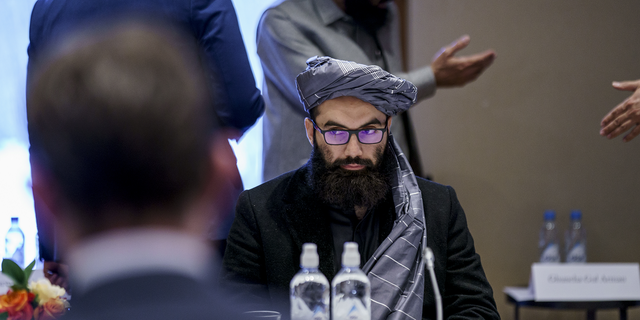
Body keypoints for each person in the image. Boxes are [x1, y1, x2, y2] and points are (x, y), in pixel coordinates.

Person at [223, 56, 500, 320]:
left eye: (369, 131)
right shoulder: (259, 211)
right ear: (311, 133)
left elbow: (478, 310)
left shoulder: (438, 207)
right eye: (336, 133)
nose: (353, 150)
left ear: (388, 128)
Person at [27, 0, 261, 282]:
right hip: (200, 224)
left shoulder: (47, 8)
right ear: (217, 171)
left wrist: (51, 247)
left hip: (89, 229)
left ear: (45, 192)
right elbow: (240, 105)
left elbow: (41, 138)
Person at [258, 0, 496, 181]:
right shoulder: (281, 22)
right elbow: (344, 95)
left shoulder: (382, 11)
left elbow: (387, 95)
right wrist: (431, 77)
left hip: (377, 183)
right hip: (305, 192)